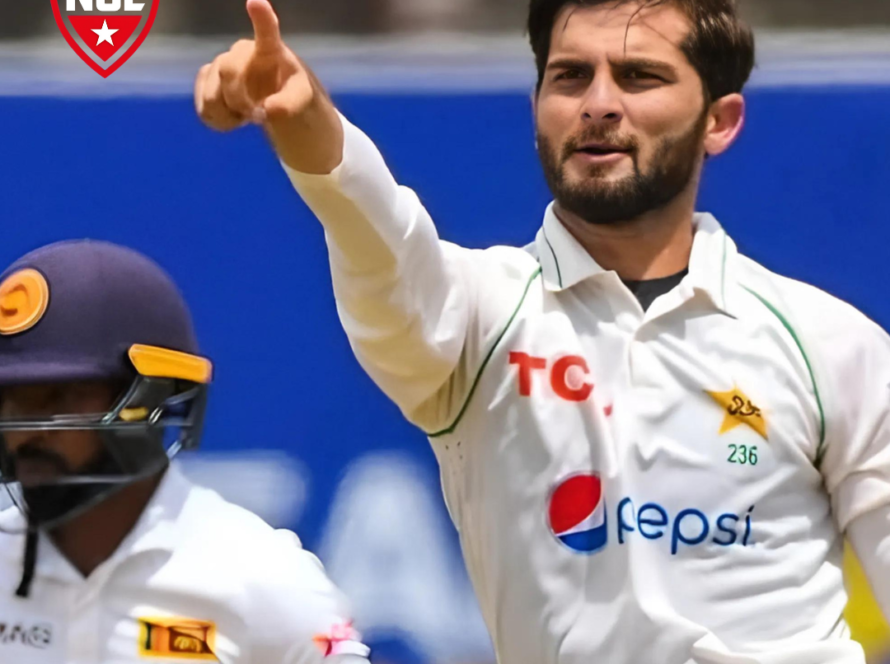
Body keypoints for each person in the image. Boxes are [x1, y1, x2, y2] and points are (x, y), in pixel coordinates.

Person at [194, 0, 890, 661]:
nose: (598, 104)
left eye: (640, 76)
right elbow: (383, 241)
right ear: (537, 107)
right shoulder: (479, 317)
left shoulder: (830, 344)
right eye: (570, 76)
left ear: (720, 119)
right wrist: (308, 118)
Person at [0, 240, 370, 664]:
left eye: (59, 397)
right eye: (12, 400)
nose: (27, 431)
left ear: (150, 400)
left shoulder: (265, 578)